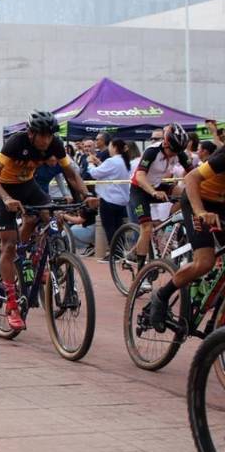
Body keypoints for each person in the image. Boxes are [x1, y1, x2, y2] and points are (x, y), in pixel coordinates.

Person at [0, 110, 97, 331]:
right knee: (8, 245)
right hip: (6, 188)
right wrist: (5, 198)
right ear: (31, 133)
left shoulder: (55, 144)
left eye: (49, 135)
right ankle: (12, 305)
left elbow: (71, 173)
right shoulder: (17, 142)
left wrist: (86, 194)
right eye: (42, 135)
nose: (46, 140)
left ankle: (38, 258)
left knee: (54, 217)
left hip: (29, 186)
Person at [149, 144, 225, 332]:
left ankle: (215, 322)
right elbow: (191, 178)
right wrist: (200, 212)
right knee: (205, 262)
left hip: (221, 205)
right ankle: (162, 296)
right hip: (198, 200)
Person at [128, 124, 191, 271]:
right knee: (146, 228)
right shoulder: (152, 151)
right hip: (140, 189)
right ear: (166, 143)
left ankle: (165, 225)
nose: (173, 155)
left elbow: (193, 173)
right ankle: (141, 272)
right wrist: (153, 192)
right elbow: (140, 176)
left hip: (157, 185)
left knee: (186, 195)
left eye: (177, 152)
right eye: (172, 151)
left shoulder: (178, 152)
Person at [88, 138, 131, 261]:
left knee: (110, 228)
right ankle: (119, 252)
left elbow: (95, 173)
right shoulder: (124, 161)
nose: (109, 149)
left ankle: (115, 253)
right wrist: (98, 162)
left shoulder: (112, 161)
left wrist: (90, 163)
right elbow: (108, 172)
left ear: (115, 147)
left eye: (110, 146)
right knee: (118, 227)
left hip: (109, 199)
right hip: (121, 200)